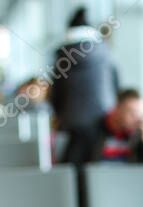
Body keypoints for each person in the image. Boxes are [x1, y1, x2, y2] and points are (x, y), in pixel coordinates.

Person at [48, 7, 119, 164]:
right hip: (102, 114)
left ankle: (69, 186)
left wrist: (59, 114)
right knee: (96, 159)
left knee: (72, 160)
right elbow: (115, 82)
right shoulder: (104, 52)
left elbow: (56, 93)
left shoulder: (61, 56)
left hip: (71, 117)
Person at [93, 88, 143, 163]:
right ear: (117, 109)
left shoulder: (138, 134)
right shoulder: (93, 130)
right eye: (132, 113)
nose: (138, 119)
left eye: (141, 114)